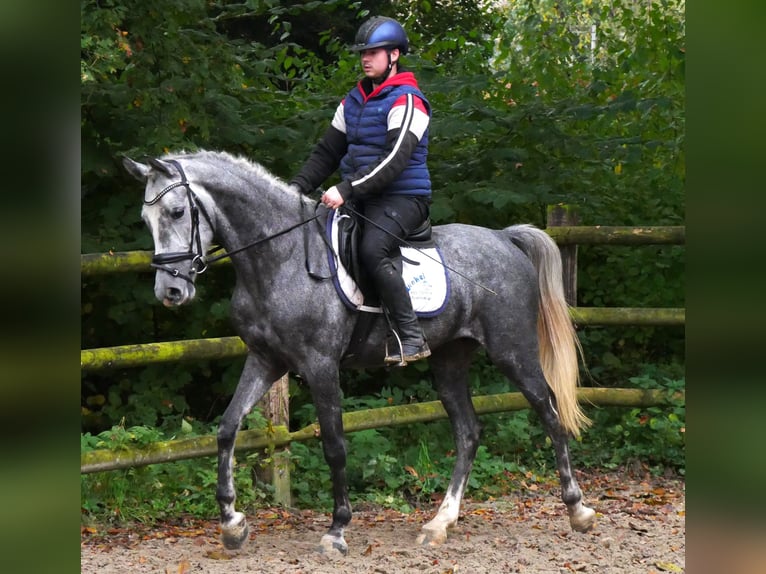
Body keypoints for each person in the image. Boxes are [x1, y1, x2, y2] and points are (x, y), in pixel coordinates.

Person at [290, 15, 432, 365]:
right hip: (360, 196)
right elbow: (327, 152)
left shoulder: (408, 100)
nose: (365, 58)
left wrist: (346, 188)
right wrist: (294, 188)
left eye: (373, 52)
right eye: (362, 53)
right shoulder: (352, 102)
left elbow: (395, 159)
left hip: (402, 198)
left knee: (372, 250)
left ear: (394, 55)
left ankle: (411, 335)